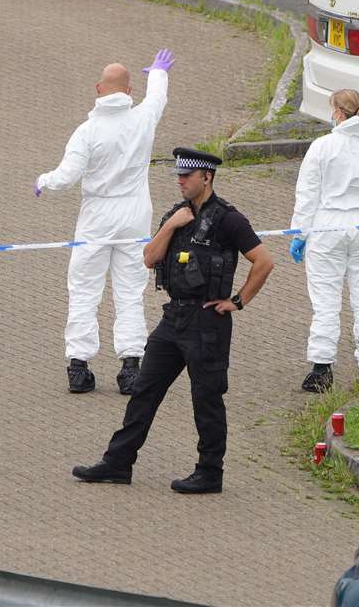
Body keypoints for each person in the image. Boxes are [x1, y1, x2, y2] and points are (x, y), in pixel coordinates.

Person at [71, 147, 274, 495]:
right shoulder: (176, 214)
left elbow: (264, 261)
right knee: (144, 390)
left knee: (206, 398)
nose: (179, 181)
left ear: (206, 177)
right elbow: (149, 258)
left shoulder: (229, 219)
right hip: (174, 318)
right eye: (178, 175)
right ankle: (118, 463)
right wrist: (171, 225)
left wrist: (237, 302)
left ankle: (210, 472)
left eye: (186, 176)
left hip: (208, 321)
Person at [36, 50, 172, 395]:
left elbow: (67, 176)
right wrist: (158, 73)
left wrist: (43, 181)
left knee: (84, 289)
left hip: (96, 218)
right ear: (129, 91)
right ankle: (130, 367)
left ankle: (79, 367)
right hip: (135, 216)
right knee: (130, 291)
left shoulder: (87, 131)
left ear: (98, 89)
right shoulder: (143, 119)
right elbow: (158, 98)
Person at [289, 89, 359, 391]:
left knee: (325, 302)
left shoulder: (322, 147)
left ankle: (321, 370)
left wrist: (300, 234)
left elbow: (307, 196)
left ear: (337, 112)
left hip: (327, 228)